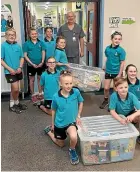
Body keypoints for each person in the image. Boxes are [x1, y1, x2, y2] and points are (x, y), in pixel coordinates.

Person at [44, 70, 84, 165]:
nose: (69, 86)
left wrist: (78, 115)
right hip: (59, 123)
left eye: (70, 83)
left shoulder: (76, 92)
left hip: (71, 122)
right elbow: (53, 110)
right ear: (60, 84)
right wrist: (53, 124)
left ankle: (72, 150)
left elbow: (81, 102)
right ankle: (49, 132)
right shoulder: (55, 97)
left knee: (74, 137)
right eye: (66, 83)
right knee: (61, 144)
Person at [1, 28, 27, 113]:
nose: (12, 36)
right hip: (9, 71)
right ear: (6, 36)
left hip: (18, 71)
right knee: (15, 89)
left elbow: (22, 57)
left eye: (13, 35)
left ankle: (14, 104)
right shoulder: (3, 46)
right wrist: (10, 69)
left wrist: (20, 67)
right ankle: (14, 104)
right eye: (9, 35)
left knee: (15, 89)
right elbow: (1, 60)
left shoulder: (18, 46)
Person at [100, 31, 126, 109]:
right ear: (112, 39)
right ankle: (105, 100)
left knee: (115, 89)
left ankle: (113, 103)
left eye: (119, 39)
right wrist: (104, 66)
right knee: (106, 88)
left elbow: (122, 63)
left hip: (117, 72)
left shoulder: (121, 51)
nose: (117, 40)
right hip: (108, 71)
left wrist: (119, 74)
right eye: (115, 39)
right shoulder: (107, 49)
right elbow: (107, 58)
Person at [23, 28, 45, 104]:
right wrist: (32, 64)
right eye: (32, 34)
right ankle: (33, 95)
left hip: (40, 65)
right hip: (31, 65)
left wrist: (42, 62)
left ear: (37, 34)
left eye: (35, 33)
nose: (34, 35)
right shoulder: (26, 44)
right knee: (31, 80)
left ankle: (40, 94)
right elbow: (25, 55)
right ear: (30, 35)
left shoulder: (41, 43)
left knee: (40, 79)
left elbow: (43, 52)